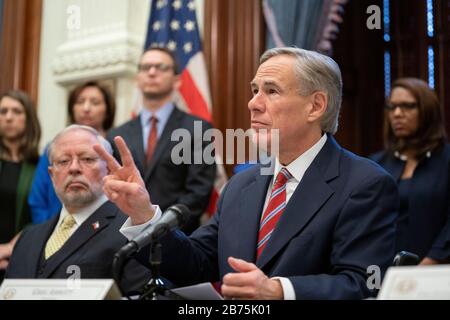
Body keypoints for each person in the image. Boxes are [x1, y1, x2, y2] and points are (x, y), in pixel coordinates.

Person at [96, 47, 399, 299]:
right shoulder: (241, 185)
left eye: (271, 91)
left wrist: (279, 291)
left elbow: (365, 284)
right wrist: (143, 215)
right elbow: (197, 263)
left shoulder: (364, 183)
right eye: (255, 90)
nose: (253, 103)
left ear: (315, 106)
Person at [5, 125, 151, 294]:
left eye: (87, 159)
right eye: (63, 161)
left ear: (109, 169)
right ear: (52, 175)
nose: (74, 168)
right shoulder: (27, 239)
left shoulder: (131, 230)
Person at [107, 47, 216, 235]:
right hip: (126, 236)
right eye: (145, 67)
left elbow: (199, 192)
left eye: (161, 67)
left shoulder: (199, 128)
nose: (151, 72)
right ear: (137, 79)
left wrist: (158, 226)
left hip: (178, 235)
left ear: (176, 80)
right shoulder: (117, 134)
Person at [370, 77, 450, 264]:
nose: (397, 113)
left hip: (438, 272)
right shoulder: (375, 163)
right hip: (381, 273)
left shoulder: (446, 161)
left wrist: (431, 261)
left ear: (427, 111)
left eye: (408, 106)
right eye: (392, 107)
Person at [28, 81, 116, 224]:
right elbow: (38, 200)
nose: (86, 108)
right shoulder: (53, 148)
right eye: (80, 102)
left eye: (95, 102)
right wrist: (49, 230)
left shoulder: (117, 149)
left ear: (107, 110)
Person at [0, 90, 41, 283]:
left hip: (23, 256)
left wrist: (13, 247)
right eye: (3, 111)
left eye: (16, 111)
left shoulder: (41, 166)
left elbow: (47, 215)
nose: (9, 117)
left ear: (29, 119)